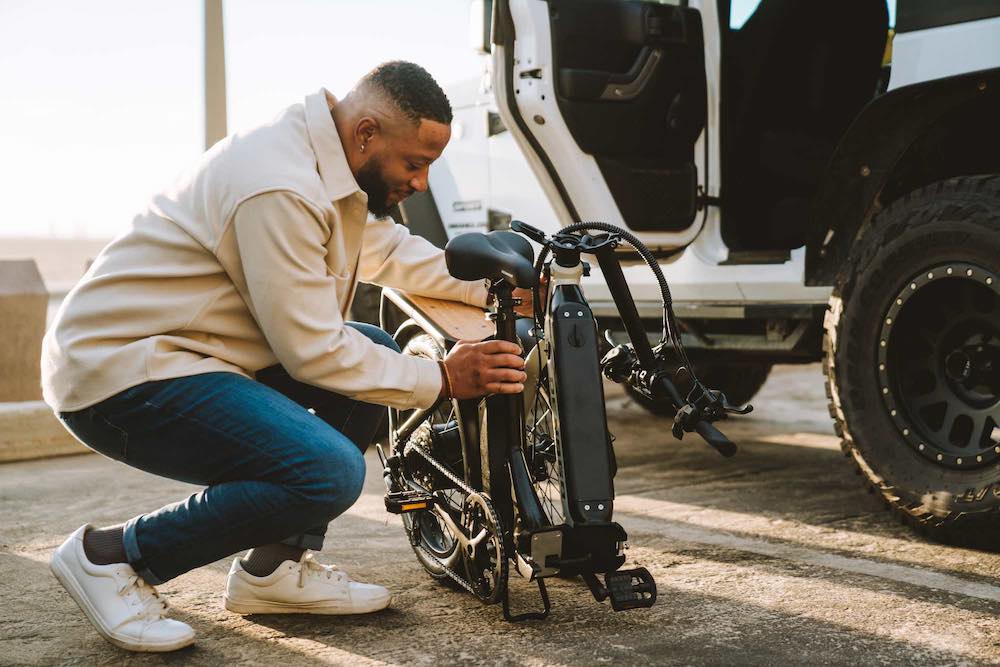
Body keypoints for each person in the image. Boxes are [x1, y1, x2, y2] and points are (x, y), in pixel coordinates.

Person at [41, 61, 530, 653]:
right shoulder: (278, 182)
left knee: (374, 352)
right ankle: (113, 557)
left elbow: (386, 251)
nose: (422, 183)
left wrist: (496, 285)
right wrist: (443, 378)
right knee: (328, 470)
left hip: (193, 352)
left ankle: (273, 570)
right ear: (367, 133)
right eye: (415, 163)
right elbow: (313, 353)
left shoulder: (327, 161)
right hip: (120, 371)